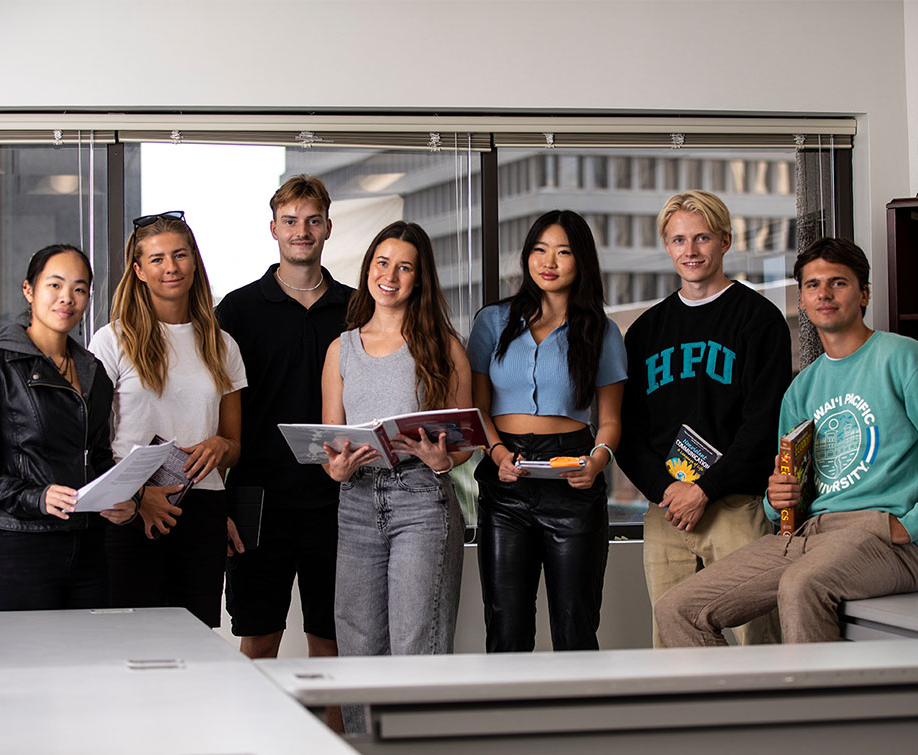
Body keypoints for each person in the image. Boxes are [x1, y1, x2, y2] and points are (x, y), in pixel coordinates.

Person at [655, 237, 918, 645]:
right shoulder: (802, 389)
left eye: (838, 283)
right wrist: (776, 501)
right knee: (678, 608)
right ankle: (735, 710)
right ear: (803, 303)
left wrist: (913, 525)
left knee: (801, 585)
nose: (823, 294)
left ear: (864, 294)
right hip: (807, 535)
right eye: (812, 286)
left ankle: (812, 709)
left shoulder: (908, 361)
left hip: (884, 536)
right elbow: (787, 493)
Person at [616, 190, 791, 648]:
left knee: (758, 637)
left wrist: (704, 489)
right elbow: (628, 430)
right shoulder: (646, 330)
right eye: (678, 240)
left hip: (733, 505)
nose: (690, 251)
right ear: (667, 246)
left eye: (702, 238)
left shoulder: (759, 319)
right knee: (671, 641)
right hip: (665, 510)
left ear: (725, 241)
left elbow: (762, 423)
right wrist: (667, 490)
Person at [321, 221, 470, 709]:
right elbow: (331, 442)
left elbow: (465, 443)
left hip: (423, 501)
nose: (390, 275)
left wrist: (441, 458)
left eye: (404, 267)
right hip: (357, 500)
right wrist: (337, 470)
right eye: (382, 263)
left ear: (419, 278)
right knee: (358, 649)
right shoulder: (340, 349)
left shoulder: (444, 345)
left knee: (417, 646)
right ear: (368, 269)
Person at [467, 209, 627, 652]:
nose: (548, 261)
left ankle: (577, 721)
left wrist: (597, 462)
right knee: (506, 626)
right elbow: (477, 409)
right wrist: (497, 454)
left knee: (575, 626)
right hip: (505, 481)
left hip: (572, 476)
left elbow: (610, 421)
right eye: (539, 250)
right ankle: (512, 721)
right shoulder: (492, 323)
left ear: (582, 262)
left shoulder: (602, 332)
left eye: (562, 251)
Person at [215, 175, 351, 665]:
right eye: (290, 221)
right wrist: (223, 501)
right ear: (273, 228)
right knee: (258, 639)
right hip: (255, 496)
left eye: (312, 221)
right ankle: (260, 741)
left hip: (337, 496)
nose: (302, 231)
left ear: (328, 228)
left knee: (332, 642)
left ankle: (335, 742)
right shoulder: (237, 310)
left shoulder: (357, 308)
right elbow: (215, 411)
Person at [90, 212, 246, 628]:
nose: (171, 267)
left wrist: (219, 446)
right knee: (129, 641)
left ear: (194, 261)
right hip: (132, 509)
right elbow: (92, 441)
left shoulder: (222, 344)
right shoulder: (111, 341)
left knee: (197, 643)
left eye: (180, 255)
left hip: (202, 509)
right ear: (139, 270)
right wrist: (141, 498)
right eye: (157, 259)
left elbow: (233, 445)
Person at [0, 244, 136, 611]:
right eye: (54, 285)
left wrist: (126, 500)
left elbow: (99, 454)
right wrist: (34, 497)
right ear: (29, 289)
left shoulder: (94, 372)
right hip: (22, 546)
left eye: (79, 288)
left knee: (88, 664)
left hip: (90, 544)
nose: (66, 299)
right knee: (26, 667)